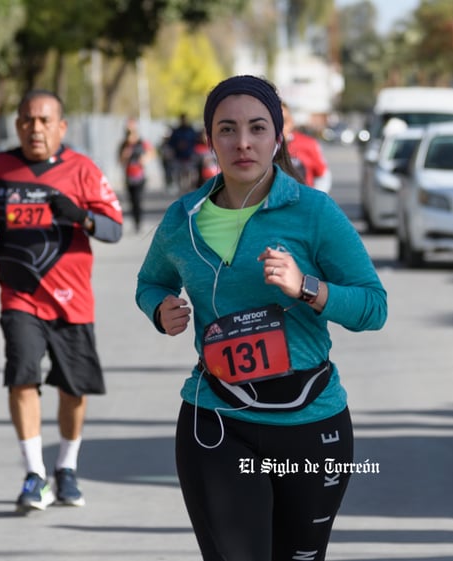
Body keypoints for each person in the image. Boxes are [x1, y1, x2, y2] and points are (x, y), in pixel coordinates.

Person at [135, 75, 387, 561]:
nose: (243, 142)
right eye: (227, 129)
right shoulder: (182, 218)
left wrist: (306, 287)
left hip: (311, 425)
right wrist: (159, 309)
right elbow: (152, 281)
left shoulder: (313, 212)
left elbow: (373, 307)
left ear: (277, 137)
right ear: (210, 140)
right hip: (217, 420)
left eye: (257, 128)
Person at [0, 89, 123, 514]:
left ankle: (67, 468)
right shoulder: (2, 166)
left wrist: (78, 215)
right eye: (26, 120)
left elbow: (113, 229)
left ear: (61, 127)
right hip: (20, 294)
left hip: (72, 298)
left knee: (73, 388)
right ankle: (35, 473)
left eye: (43, 120)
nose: (34, 128)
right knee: (21, 375)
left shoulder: (82, 169)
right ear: (17, 124)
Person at [282, 102, 331, 192]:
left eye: (284, 121)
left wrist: (314, 200)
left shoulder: (308, 144)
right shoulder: (259, 147)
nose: (280, 127)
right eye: (275, 122)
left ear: (292, 122)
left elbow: (322, 175)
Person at [118, 117, 155, 233]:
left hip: (139, 176)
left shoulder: (141, 143)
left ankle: (139, 222)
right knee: (132, 200)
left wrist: (145, 159)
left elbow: (151, 152)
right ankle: (135, 222)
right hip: (129, 176)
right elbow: (120, 161)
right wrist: (125, 155)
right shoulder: (124, 145)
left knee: (138, 199)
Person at [167, 113, 199, 194]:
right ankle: (182, 193)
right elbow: (171, 144)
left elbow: (196, 142)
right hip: (179, 158)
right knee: (180, 178)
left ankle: (189, 191)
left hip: (189, 157)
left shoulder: (190, 130)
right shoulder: (176, 132)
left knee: (190, 177)